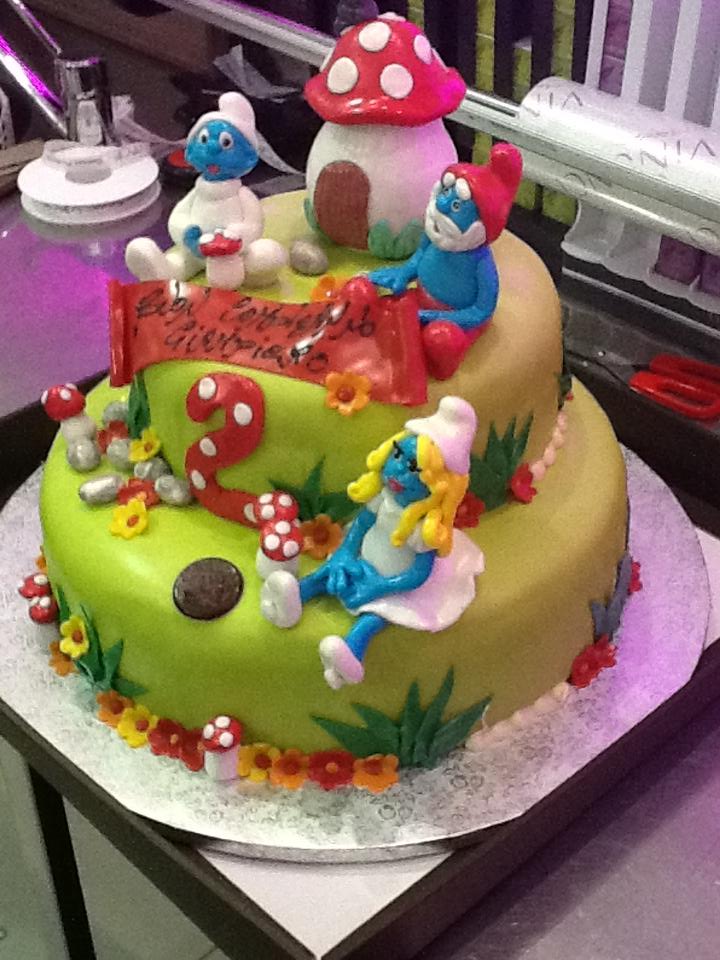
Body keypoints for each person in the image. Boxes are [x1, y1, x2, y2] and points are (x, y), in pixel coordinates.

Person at [260, 397, 485, 689]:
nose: (399, 471)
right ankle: (295, 596)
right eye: (397, 455)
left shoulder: (423, 530)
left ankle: (351, 653)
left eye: (414, 468)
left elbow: (418, 574)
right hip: (362, 561)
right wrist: (345, 555)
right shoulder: (384, 499)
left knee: (376, 615)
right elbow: (361, 526)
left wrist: (378, 587)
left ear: (439, 487)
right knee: (329, 573)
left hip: (391, 583)